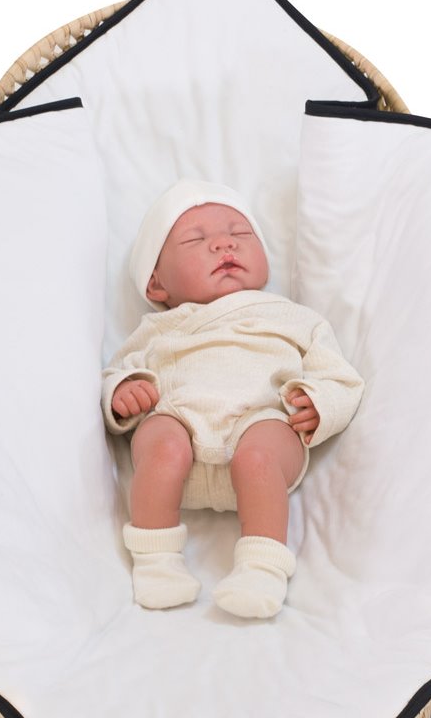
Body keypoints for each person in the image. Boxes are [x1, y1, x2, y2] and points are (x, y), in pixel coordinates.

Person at [102, 178, 365, 619]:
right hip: (181, 432)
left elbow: (342, 379)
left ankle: (262, 569)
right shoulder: (155, 330)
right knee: (161, 441)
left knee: (260, 452)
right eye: (195, 240)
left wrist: (318, 403)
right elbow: (117, 372)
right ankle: (156, 563)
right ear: (156, 285)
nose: (224, 243)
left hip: (261, 428)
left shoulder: (294, 318)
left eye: (240, 234)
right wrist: (123, 393)